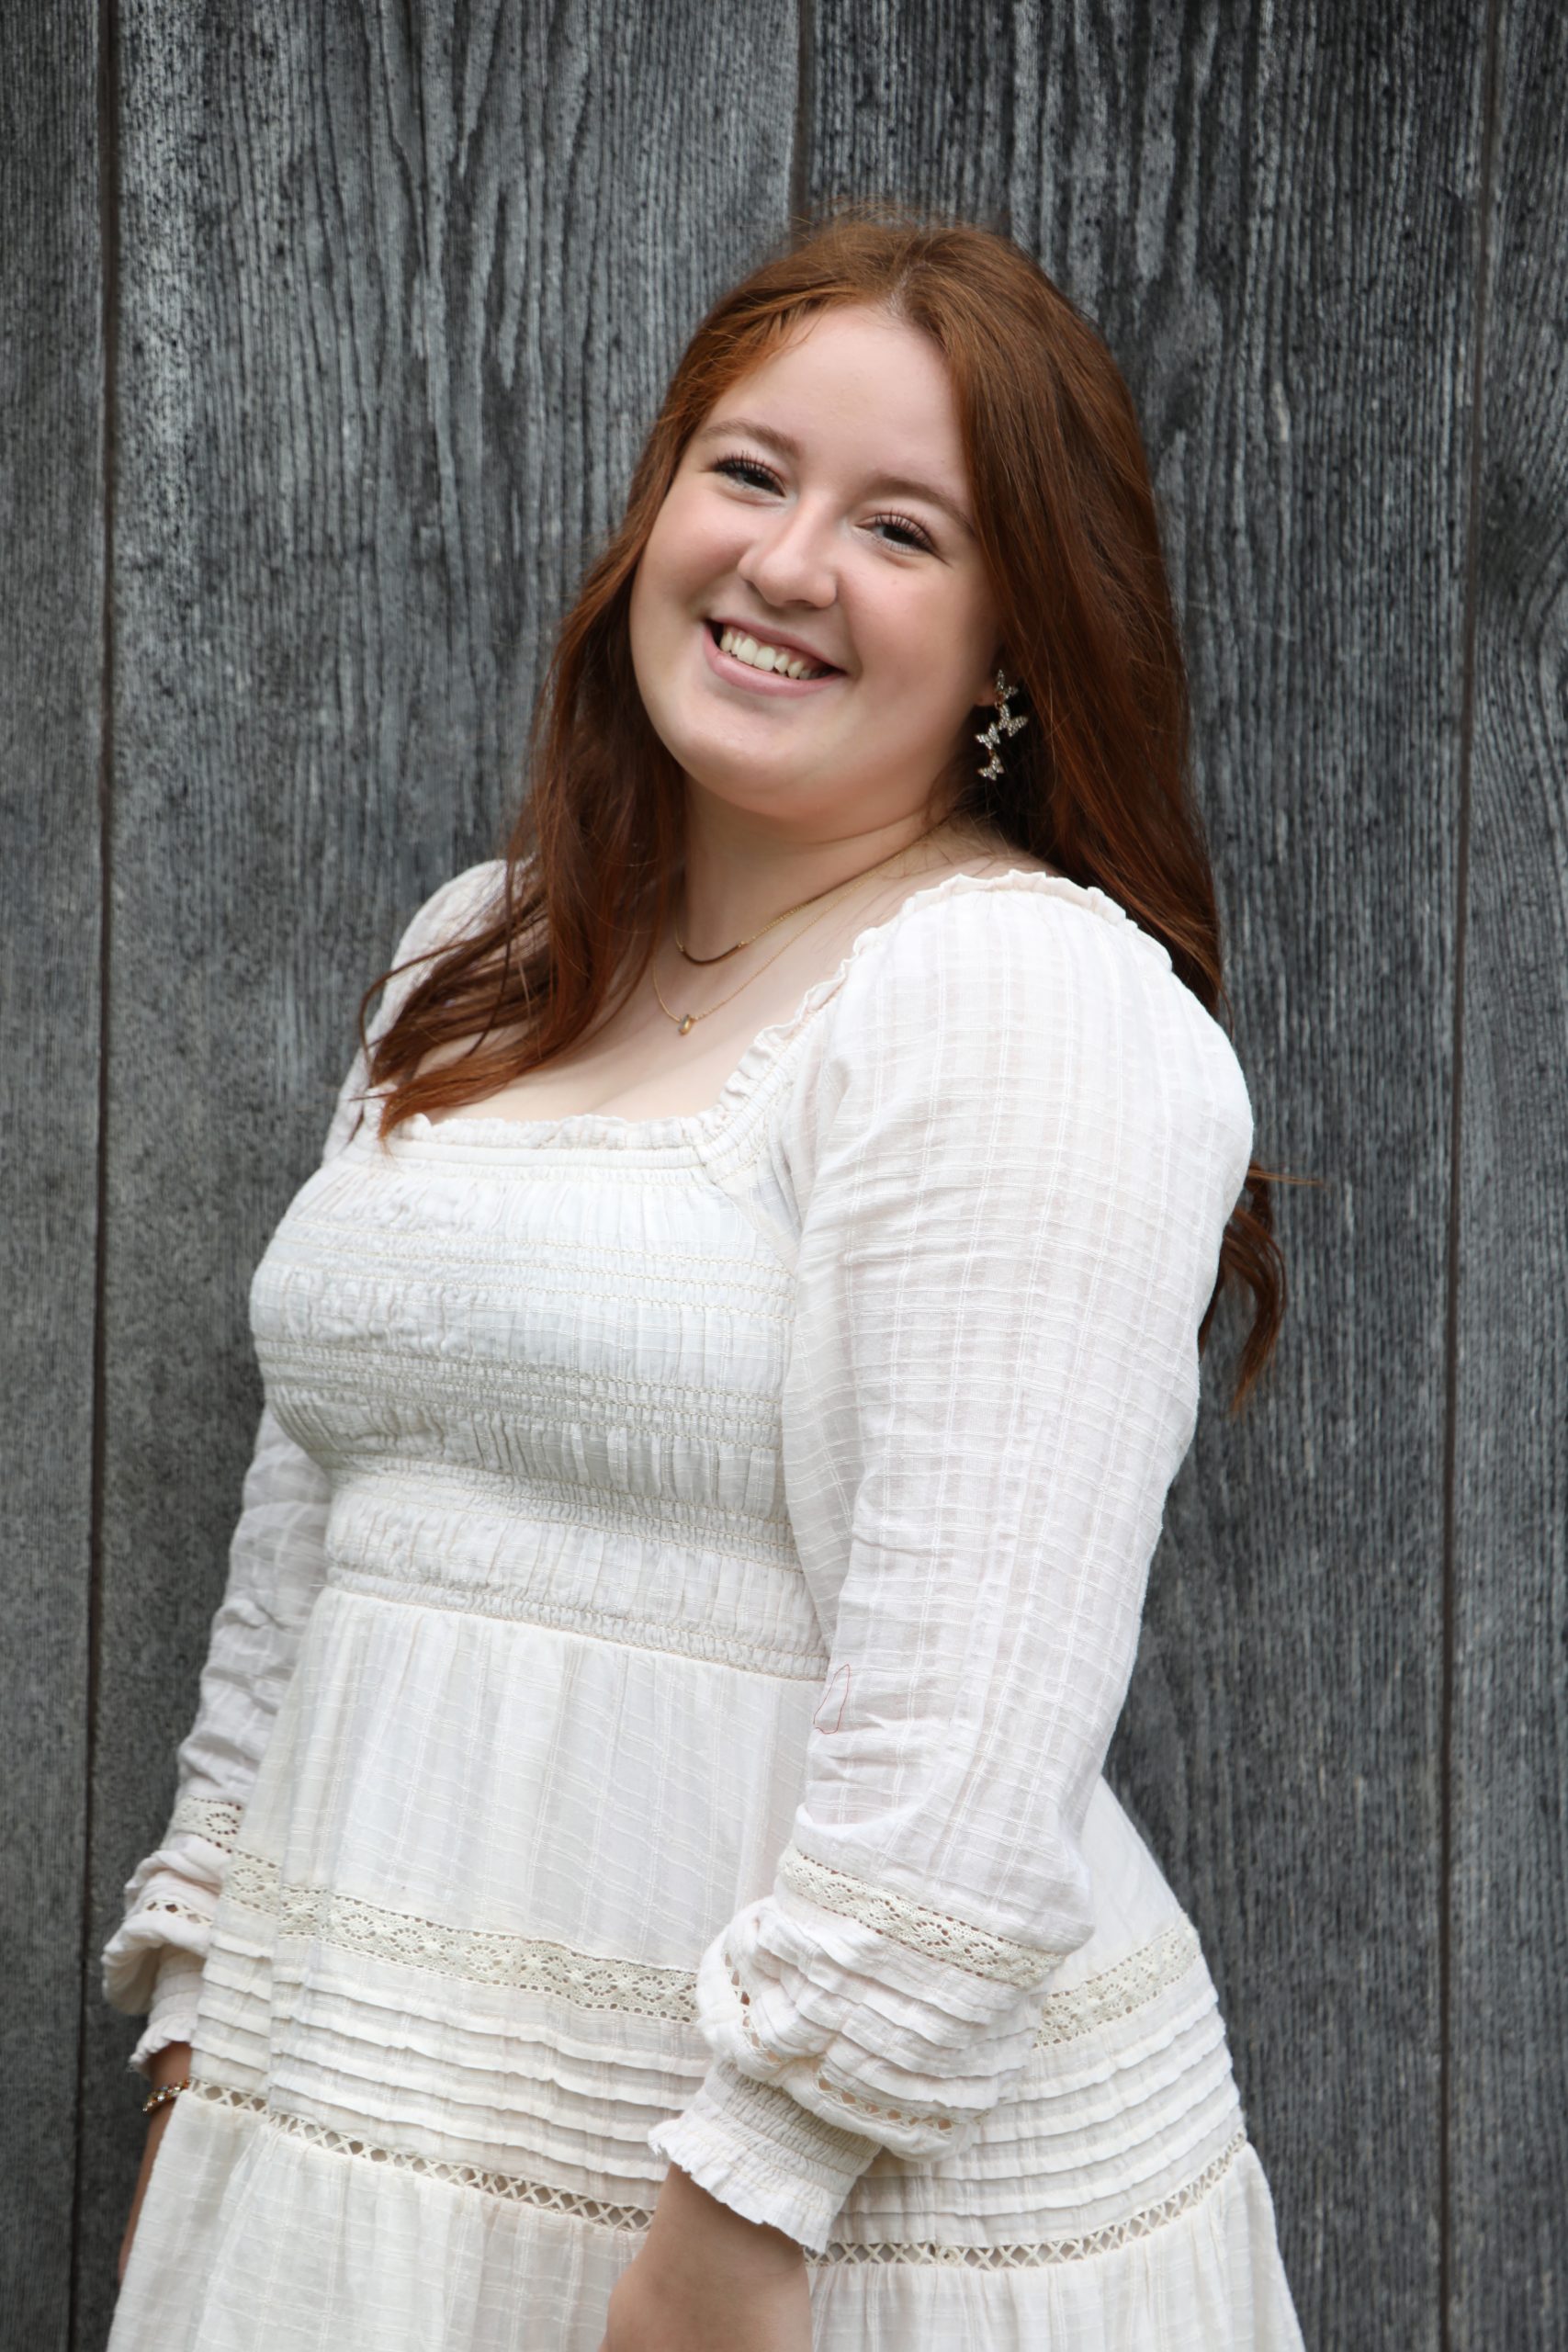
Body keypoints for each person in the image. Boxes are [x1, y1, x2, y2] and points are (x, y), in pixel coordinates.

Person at [104, 209, 1306, 2350]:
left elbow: (974, 1710)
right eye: (745, 473)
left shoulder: (1016, 1002)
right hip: (365, 2126)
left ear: (1016, 641)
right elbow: (311, 1531)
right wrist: (210, 2010)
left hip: (788, 2234)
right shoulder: (478, 951)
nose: (781, 563)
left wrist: (731, 2235)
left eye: (900, 528)